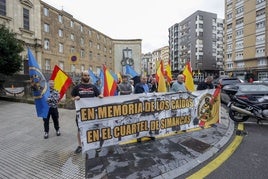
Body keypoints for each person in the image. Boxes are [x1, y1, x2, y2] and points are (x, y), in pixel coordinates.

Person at [71, 71, 103, 154]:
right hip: (80, 113)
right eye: (85, 75)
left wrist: (101, 96)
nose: (87, 77)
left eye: (88, 75)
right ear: (82, 76)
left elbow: (99, 95)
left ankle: (96, 145)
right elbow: (72, 97)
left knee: (94, 129)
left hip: (92, 113)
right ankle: (80, 146)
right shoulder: (77, 87)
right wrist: (75, 98)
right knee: (79, 129)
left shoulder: (93, 87)